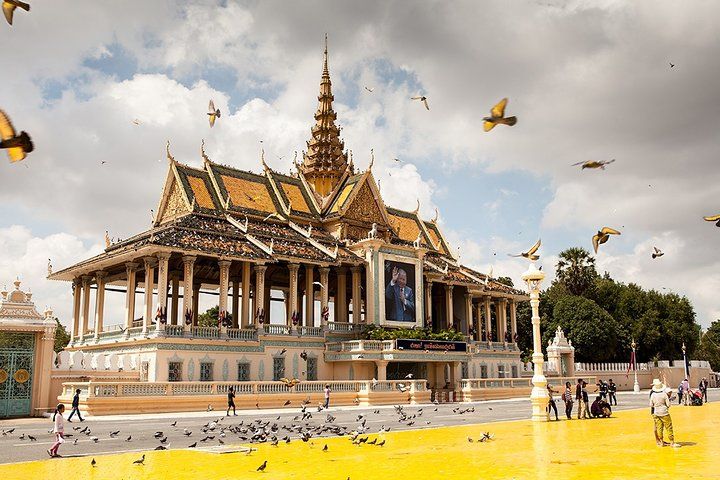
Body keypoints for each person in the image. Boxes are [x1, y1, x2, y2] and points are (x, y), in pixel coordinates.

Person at [649, 379, 680, 447]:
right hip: (664, 412)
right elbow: (668, 405)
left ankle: (661, 442)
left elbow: (651, 404)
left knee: (659, 428)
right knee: (668, 427)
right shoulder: (664, 394)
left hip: (656, 412)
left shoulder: (653, 394)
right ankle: (672, 442)